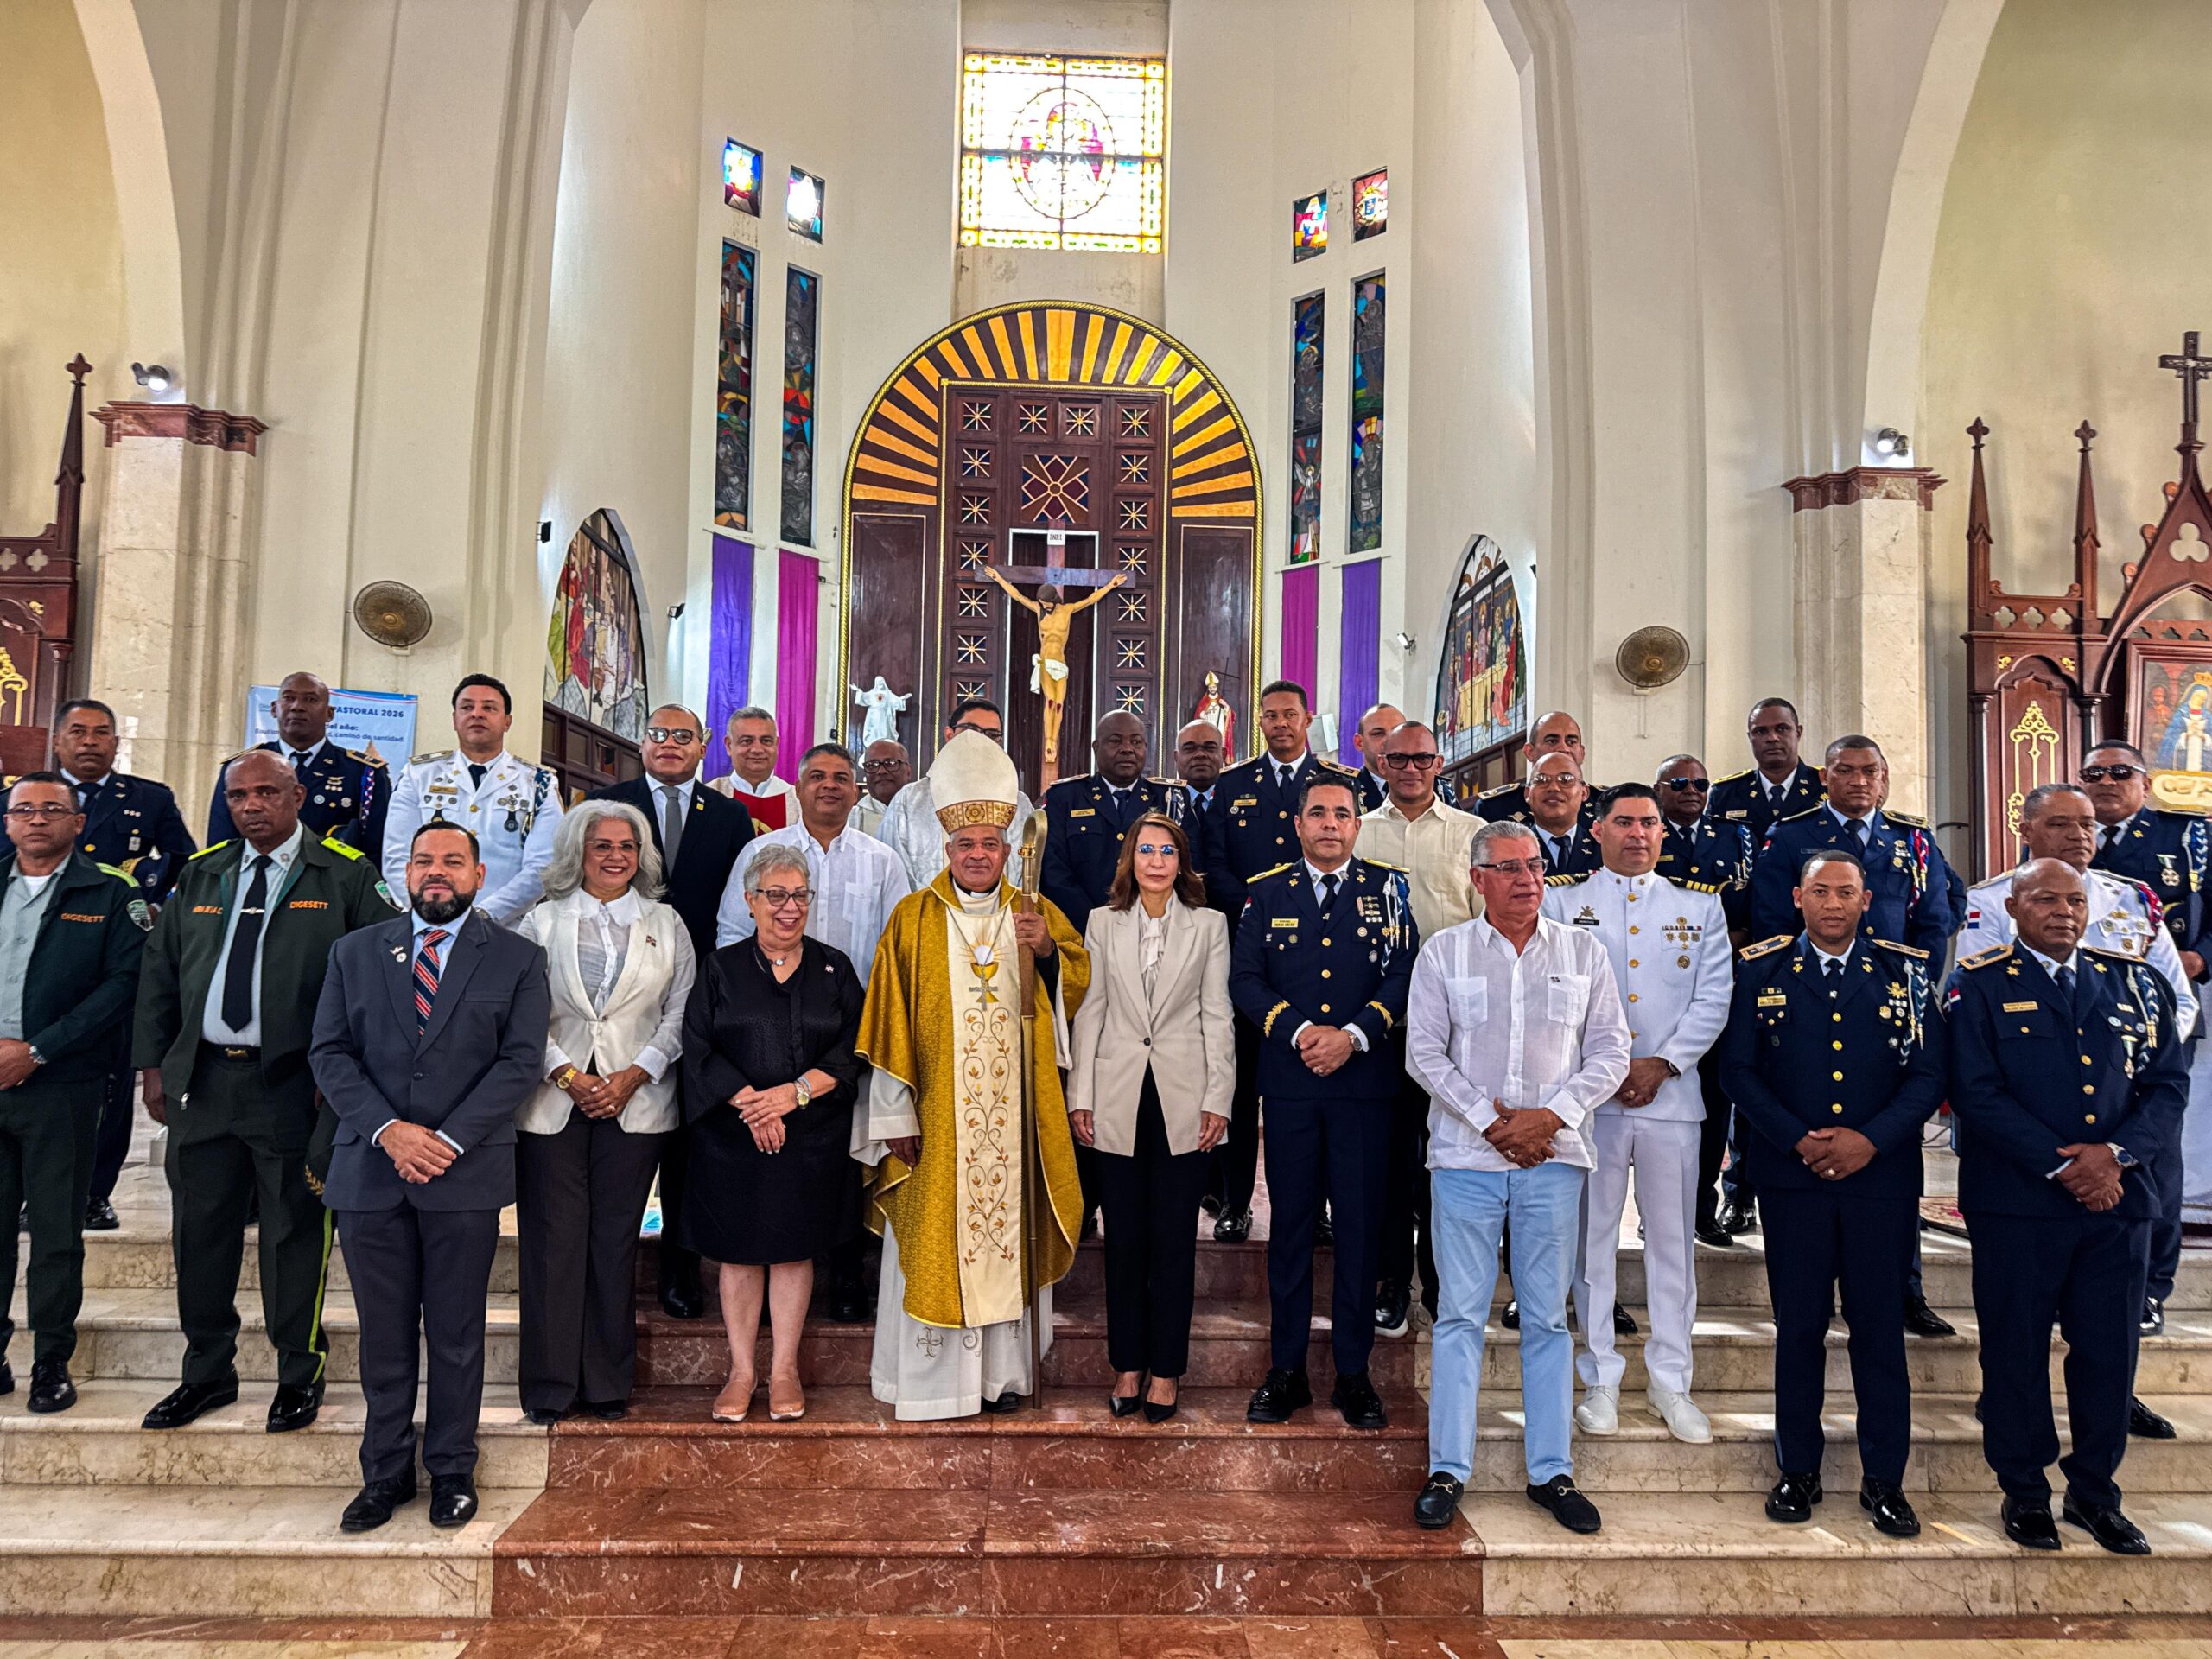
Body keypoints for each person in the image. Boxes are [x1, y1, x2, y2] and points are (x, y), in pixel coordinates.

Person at [131, 750, 400, 1434]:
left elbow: (378, 982)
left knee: (293, 1231)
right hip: (205, 1082)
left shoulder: (343, 876)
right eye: (239, 795)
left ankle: (297, 1370)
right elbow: (161, 976)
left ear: (297, 795)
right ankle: (206, 1371)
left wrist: (347, 1082)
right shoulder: (203, 873)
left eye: (266, 793)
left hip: (295, 1087)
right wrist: (156, 1066)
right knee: (200, 1230)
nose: (251, 806)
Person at [309, 821, 550, 1532]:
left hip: (463, 1173)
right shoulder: (354, 953)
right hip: (371, 1169)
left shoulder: (516, 958)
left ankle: (452, 1468)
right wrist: (391, 1131)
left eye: (452, 861)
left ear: (479, 875)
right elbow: (330, 1052)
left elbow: (519, 1062)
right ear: (405, 874)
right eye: (423, 862)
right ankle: (384, 1473)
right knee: (384, 1336)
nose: (435, 872)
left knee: (454, 1332)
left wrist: (442, 1139)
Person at [1947, 858, 2187, 1557]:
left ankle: (2095, 1494)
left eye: (2074, 901)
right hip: (2019, 1204)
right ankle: (2025, 1491)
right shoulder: (1980, 985)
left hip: (2118, 1202)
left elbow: (2168, 1085)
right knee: (2016, 1353)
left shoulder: (2136, 983)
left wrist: (2114, 1158)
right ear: (2014, 910)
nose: (2063, 912)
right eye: (2046, 900)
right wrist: (2066, 1163)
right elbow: (1977, 1092)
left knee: (2109, 1356)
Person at [855, 730, 1089, 1418]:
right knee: (936, 1237)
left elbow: (1075, 985)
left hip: (1014, 1120)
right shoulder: (912, 919)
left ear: (1008, 847)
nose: (979, 855)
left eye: (991, 843)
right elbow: (889, 1026)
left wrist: (1047, 953)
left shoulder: (1035, 911)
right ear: (946, 848)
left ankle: (1001, 1380)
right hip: (936, 1125)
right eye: (967, 845)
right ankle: (934, 1388)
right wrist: (894, 1116)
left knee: (1006, 1235)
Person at [1406, 819, 1630, 1535]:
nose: (1527, 879)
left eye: (1534, 866)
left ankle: (1551, 1472)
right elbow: (1423, 1054)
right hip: (1466, 1164)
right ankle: (1448, 1468)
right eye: (1509, 868)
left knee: (1545, 1318)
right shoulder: (1444, 953)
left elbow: (1610, 1053)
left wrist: (1549, 1118)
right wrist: (1491, 1122)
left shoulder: (1583, 952)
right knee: (1460, 1317)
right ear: (1478, 880)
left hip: (1553, 1164)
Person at [1720, 849, 1943, 1539]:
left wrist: (1867, 1141)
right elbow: (1738, 1072)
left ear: (1866, 898)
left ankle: (1885, 1481)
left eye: (1847, 891)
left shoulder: (1904, 971)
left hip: (1880, 1180)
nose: (1835, 903)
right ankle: (1799, 1469)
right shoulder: (1760, 968)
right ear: (1798, 896)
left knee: (1879, 1330)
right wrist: (1798, 1141)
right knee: (1800, 1328)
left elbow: (1930, 1074)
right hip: (1795, 1180)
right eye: (1821, 890)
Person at [1543, 783, 1732, 1445]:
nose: (1639, 834)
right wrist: (1608, 1067)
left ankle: (1671, 1381)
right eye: (1624, 822)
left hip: (1671, 1100)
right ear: (1597, 830)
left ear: (1663, 832)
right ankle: (1599, 1377)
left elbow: (1712, 999)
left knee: (1673, 1246)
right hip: (1589, 1102)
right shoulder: (1563, 901)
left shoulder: (1698, 909)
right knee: (1592, 1242)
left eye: (1649, 823)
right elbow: (1554, 996)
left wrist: (1664, 1063)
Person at [1232, 772, 1418, 1431]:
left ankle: (1353, 1374)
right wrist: (1302, 1031)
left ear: (1357, 825)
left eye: (1342, 814)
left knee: (1361, 1232)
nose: (1330, 824)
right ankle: (1284, 1372)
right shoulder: (1266, 892)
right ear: (1298, 824)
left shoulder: (1389, 889)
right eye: (1318, 814)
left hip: (1364, 1089)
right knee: (1290, 1230)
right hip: (1290, 1086)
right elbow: (1246, 980)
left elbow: (1403, 973)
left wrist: (1356, 1035)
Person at [512, 803, 696, 1423]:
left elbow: (680, 1015)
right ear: (578, 853)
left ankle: (607, 1383)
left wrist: (632, 1074)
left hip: (636, 1101)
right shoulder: (541, 922)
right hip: (552, 1102)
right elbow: (522, 1012)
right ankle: (550, 1385)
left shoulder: (666, 923)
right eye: (602, 846)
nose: (615, 857)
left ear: (642, 855)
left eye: (627, 846)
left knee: (614, 1242)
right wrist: (567, 1074)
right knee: (552, 1243)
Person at [718, 741, 910, 1319]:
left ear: (856, 792)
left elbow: (897, 951)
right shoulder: (760, 851)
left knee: (844, 1155)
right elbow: (731, 934)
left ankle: (846, 1277)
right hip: (768, 1029)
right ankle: (773, 1258)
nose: (830, 786)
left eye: (842, 778)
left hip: (852, 1029)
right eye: (818, 776)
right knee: (781, 1149)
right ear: (797, 788)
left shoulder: (883, 861)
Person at [684, 843, 867, 1423]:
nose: (789, 908)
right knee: (739, 1255)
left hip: (811, 1137)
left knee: (793, 1250)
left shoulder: (836, 967)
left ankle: (784, 1368)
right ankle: (741, 1370)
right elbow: (698, 1046)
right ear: (750, 901)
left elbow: (853, 1048)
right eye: (775, 895)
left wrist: (792, 1097)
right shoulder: (720, 968)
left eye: (800, 896)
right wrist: (754, 1106)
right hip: (731, 1135)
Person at [585, 703, 755, 1319]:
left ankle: (678, 1274)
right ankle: (605, 1275)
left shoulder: (730, 815)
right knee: (612, 1147)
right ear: (641, 741)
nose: (669, 744)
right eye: (658, 733)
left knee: (686, 1137)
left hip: (699, 989)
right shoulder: (607, 803)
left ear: (703, 746)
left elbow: (738, 907)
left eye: (682, 736)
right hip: (614, 989)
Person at [1066, 812, 1233, 1421]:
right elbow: (1091, 1012)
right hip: (1116, 1093)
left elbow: (1217, 1014)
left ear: (1181, 861)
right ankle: (1127, 1365)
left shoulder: (1209, 925)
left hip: (1184, 1098)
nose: (1156, 860)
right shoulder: (1102, 924)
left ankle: (1166, 1371)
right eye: (1145, 850)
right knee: (1123, 1244)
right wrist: (1080, 1093)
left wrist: (1219, 1096)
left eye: (1167, 850)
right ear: (1129, 860)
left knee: (1172, 1244)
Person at [0, 773, 149, 1414]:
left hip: (62, 1084)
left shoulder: (111, 892)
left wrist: (38, 1050)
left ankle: (50, 1362)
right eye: (24, 810)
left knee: (58, 1233)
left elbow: (122, 986)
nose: (37, 821)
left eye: (51, 810)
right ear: (8, 821)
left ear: (79, 822)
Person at [1199, 679, 1357, 1242]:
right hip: (1250, 952)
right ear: (1259, 722)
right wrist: (1259, 907)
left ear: (1307, 717)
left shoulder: (1340, 785)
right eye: (1270, 716)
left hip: (1324, 959)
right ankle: (1235, 1203)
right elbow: (1212, 862)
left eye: (1290, 714)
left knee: (1311, 1091)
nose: (1281, 724)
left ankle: (1315, 1210)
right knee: (1240, 1087)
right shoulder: (1234, 784)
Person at [2081, 740, 2211, 1339]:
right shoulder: (2066, 842)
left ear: (2145, 780)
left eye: (2118, 772)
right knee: (2090, 1143)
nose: (2105, 782)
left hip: (2161, 1017)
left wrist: (2200, 959)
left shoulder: (2186, 838)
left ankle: (2153, 1286)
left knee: (2153, 1148)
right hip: (2082, 1027)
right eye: (2093, 774)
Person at [1357, 719, 1482, 1335]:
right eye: (1398, 758)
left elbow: (1489, 932)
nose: (1409, 768)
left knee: (1445, 1161)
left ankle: (1441, 1282)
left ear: (1440, 764)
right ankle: (1389, 1282)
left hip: (1454, 1029)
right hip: (1379, 1025)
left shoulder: (1472, 834)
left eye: (1422, 758)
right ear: (1382, 763)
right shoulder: (1360, 832)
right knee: (1386, 1161)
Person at [54, 697, 197, 1232]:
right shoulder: (29, 799)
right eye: (79, 731)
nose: (90, 741)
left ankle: (95, 1192)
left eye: (101, 733)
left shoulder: (147, 798)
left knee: (112, 1082)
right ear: (58, 739)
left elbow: (184, 856)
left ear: (116, 742)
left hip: (117, 950)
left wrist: (154, 900)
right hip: (45, 955)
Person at [1651, 753, 1756, 1249]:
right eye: (1679, 782)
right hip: (1655, 991)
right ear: (1658, 790)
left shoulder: (1733, 838)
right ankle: (1654, 1212)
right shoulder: (1645, 834)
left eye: (1700, 782)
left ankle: (1700, 1208)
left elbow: (1746, 910)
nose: (1692, 790)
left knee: (1713, 1105)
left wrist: (1722, 937)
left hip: (1717, 988)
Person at [1749, 734, 1963, 957]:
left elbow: (1933, 920)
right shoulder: (1789, 836)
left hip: (1894, 980)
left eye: (1870, 771)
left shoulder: (1914, 838)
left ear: (1883, 776)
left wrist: (1919, 980)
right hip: (1813, 978)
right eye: (1845, 771)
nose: (1859, 781)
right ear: (1824, 777)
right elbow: (1771, 922)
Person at [384, 675, 563, 925]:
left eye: (489, 708)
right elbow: (397, 856)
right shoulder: (419, 775)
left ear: (507, 721)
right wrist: (424, 913)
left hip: (505, 927)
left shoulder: (537, 784)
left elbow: (543, 866)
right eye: (467, 707)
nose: (477, 714)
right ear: (455, 720)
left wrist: (486, 914)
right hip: (426, 925)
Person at [207, 672, 391, 857]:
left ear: (329, 713)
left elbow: (377, 849)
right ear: (274, 709)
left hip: (333, 882)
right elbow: (222, 845)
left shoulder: (363, 772)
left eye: (311, 700)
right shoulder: (240, 768)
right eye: (288, 698)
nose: (297, 707)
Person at [875, 699, 1039, 892]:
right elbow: (891, 874)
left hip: (1000, 918)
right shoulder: (910, 801)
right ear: (949, 735)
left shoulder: (1018, 803)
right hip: (923, 917)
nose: (982, 741)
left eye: (993, 735)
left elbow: (1027, 876)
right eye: (972, 731)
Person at [982, 568, 1128, 779]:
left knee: (1059, 704)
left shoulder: (1067, 610)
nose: (1044, 606)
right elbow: (1017, 596)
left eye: (1047, 603)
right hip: (1045, 663)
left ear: (1054, 600)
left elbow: (1090, 600)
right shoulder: (1038, 610)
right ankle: (1048, 741)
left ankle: (1054, 738)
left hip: (1060, 664)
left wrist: (1110, 585)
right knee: (1049, 701)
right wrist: (998, 579)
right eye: (1042, 603)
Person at [1039, 711, 1176, 935]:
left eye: (1136, 742)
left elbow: (1188, 868)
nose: (1127, 749)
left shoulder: (1169, 799)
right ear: (1096, 748)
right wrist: (1096, 922)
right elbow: (1054, 873)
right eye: (1115, 741)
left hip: (1155, 930)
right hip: (1081, 930)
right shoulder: (1065, 798)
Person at [1708, 697, 1826, 843]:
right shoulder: (1725, 794)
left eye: (1782, 729)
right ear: (1750, 737)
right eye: (1760, 731)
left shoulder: (1826, 787)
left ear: (1798, 732)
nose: (1772, 738)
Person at [1475, 711, 1594, 826]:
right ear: (1529, 751)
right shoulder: (1495, 807)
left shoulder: (1605, 804)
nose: (1563, 748)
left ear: (1582, 753)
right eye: (1552, 741)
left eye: (1571, 742)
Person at [710, 705, 798, 833]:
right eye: (747, 741)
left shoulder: (798, 802)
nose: (757, 750)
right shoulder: (710, 796)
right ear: (729, 745)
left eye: (766, 741)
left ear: (777, 744)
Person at [1513, 754, 1602, 877]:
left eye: (1565, 780)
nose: (1553, 788)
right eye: (1542, 780)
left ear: (1584, 793)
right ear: (1528, 794)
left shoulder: (1605, 850)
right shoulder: (1512, 851)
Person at [1349, 702, 1407, 812]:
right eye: (1378, 734)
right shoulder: (1345, 790)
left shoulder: (1436, 789)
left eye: (1398, 732)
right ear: (1359, 743)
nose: (1390, 740)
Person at [855, 738, 912, 839]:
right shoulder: (850, 820)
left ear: (908, 771)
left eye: (890, 763)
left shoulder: (926, 813)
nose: (881, 771)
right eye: (872, 765)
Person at [1174, 718, 1225, 823]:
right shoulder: (1162, 802)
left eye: (1209, 748)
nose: (1200, 755)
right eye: (1189, 749)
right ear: (1176, 757)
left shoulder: (1235, 798)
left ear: (1223, 754)